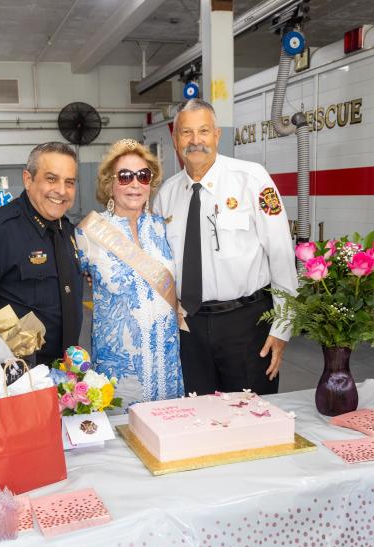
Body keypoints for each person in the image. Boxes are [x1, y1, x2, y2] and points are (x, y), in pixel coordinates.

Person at [154, 99, 299, 396]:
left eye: (204, 131)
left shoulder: (252, 179)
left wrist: (282, 327)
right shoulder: (166, 195)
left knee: (254, 418)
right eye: (186, 133)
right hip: (188, 330)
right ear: (175, 139)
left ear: (217, 135)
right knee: (196, 420)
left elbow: (282, 255)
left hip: (246, 326)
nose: (196, 141)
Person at [0, 141, 83, 364]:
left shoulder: (67, 231)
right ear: (28, 180)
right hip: (16, 378)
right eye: (51, 179)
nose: (61, 190)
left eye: (69, 182)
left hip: (65, 370)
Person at [74, 139, 184, 402]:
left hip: (166, 365)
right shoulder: (88, 233)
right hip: (118, 372)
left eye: (143, 176)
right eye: (125, 177)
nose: (135, 184)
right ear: (110, 184)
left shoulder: (164, 228)